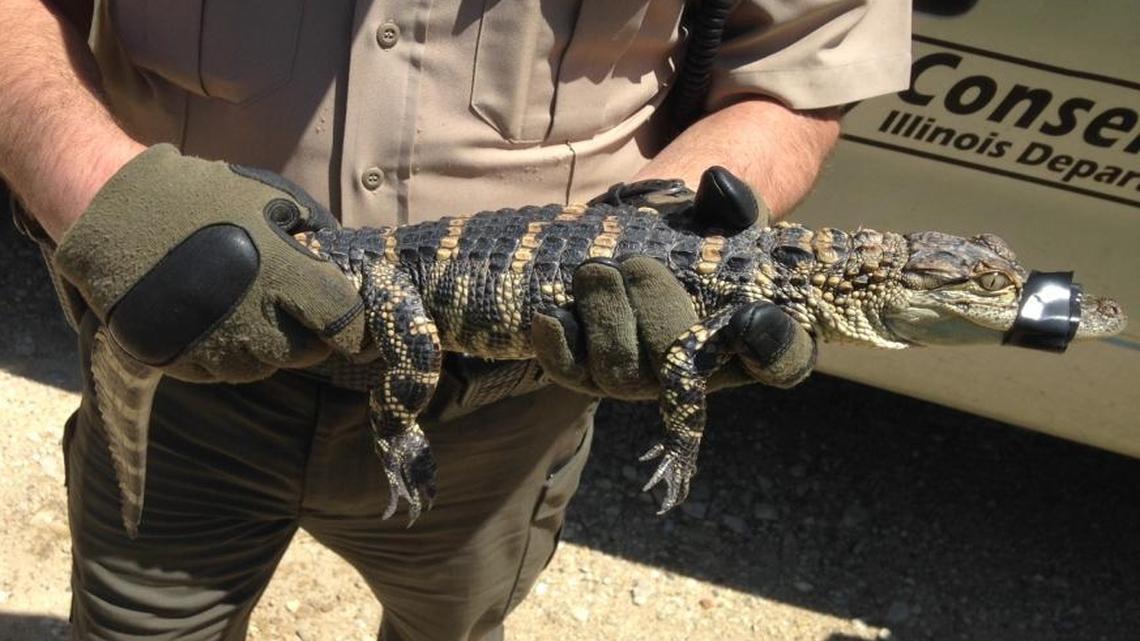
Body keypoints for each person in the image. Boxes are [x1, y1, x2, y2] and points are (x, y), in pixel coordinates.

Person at [0, 0, 911, 639]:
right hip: (192, 347)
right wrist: (100, 196)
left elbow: (799, 65)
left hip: (508, 402)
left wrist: (679, 226)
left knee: (454, 625)